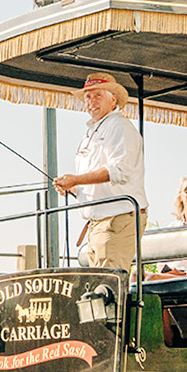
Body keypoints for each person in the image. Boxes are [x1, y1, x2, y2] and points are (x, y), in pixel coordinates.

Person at [54, 72, 147, 273]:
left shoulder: (120, 126)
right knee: (101, 287)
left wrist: (76, 180)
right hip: (98, 222)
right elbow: (99, 184)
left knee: (108, 286)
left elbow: (119, 171)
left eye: (98, 96)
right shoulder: (91, 133)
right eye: (88, 96)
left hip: (117, 218)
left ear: (113, 100)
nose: (91, 101)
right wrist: (73, 188)